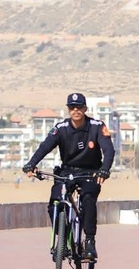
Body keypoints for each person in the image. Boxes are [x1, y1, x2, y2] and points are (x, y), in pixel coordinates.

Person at [22, 93, 114, 260]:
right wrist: (31, 164)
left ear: (85, 109)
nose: (76, 110)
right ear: (68, 109)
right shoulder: (61, 128)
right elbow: (45, 147)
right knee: (55, 202)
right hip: (67, 172)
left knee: (88, 200)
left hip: (90, 173)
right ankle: (62, 238)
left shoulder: (97, 126)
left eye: (79, 107)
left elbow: (109, 150)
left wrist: (104, 169)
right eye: (72, 107)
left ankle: (90, 242)